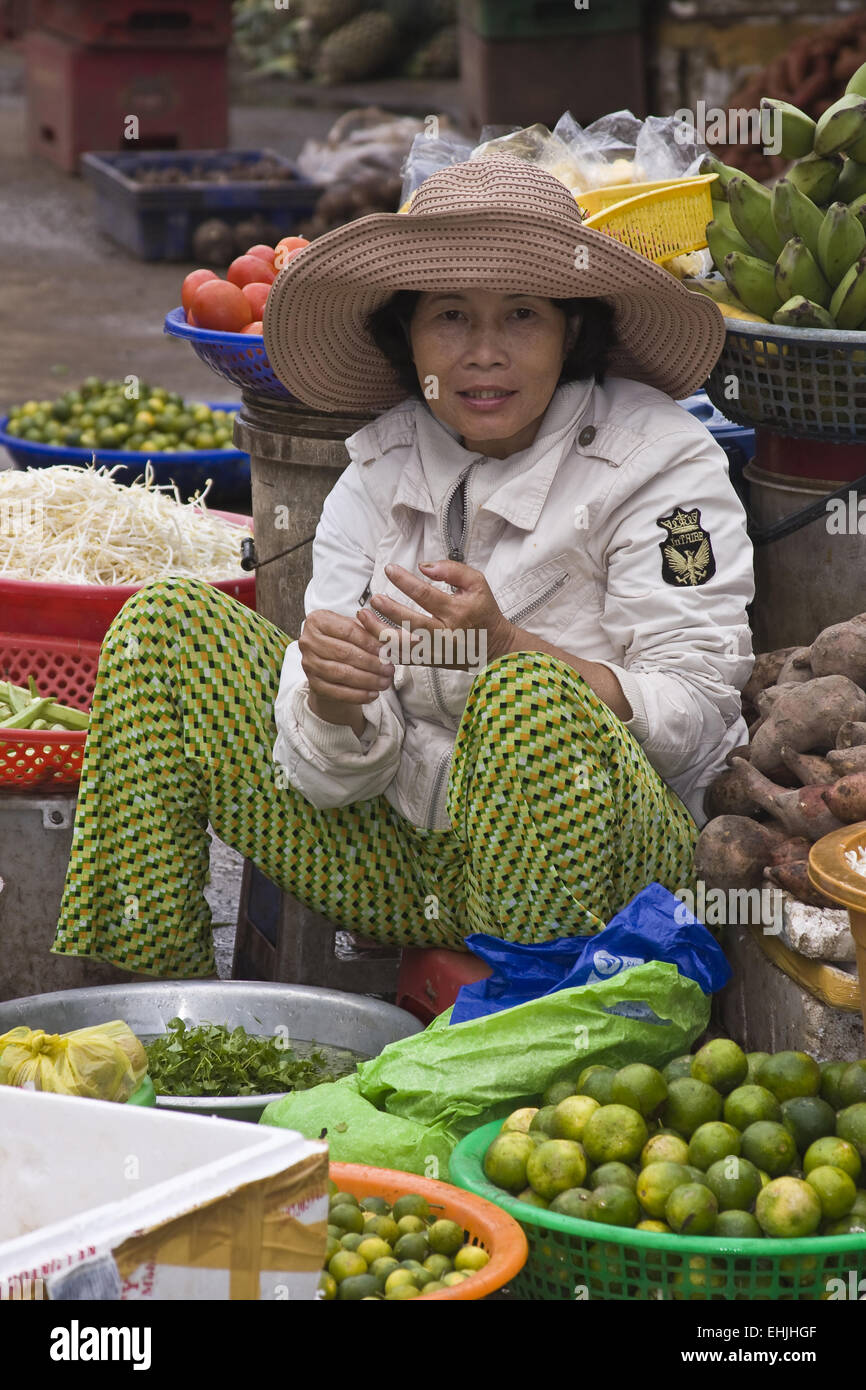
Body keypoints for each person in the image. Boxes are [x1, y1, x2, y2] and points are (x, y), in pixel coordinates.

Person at [53, 156, 754, 979]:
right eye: (450, 317)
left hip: (609, 874)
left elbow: (698, 716)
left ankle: (531, 1033)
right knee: (162, 628)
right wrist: (330, 700)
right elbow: (331, 780)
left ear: (573, 330)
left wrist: (510, 648)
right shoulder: (378, 470)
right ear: (407, 334)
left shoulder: (663, 464)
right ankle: (144, 1020)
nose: (483, 354)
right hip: (404, 861)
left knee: (530, 697)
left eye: (522, 316)